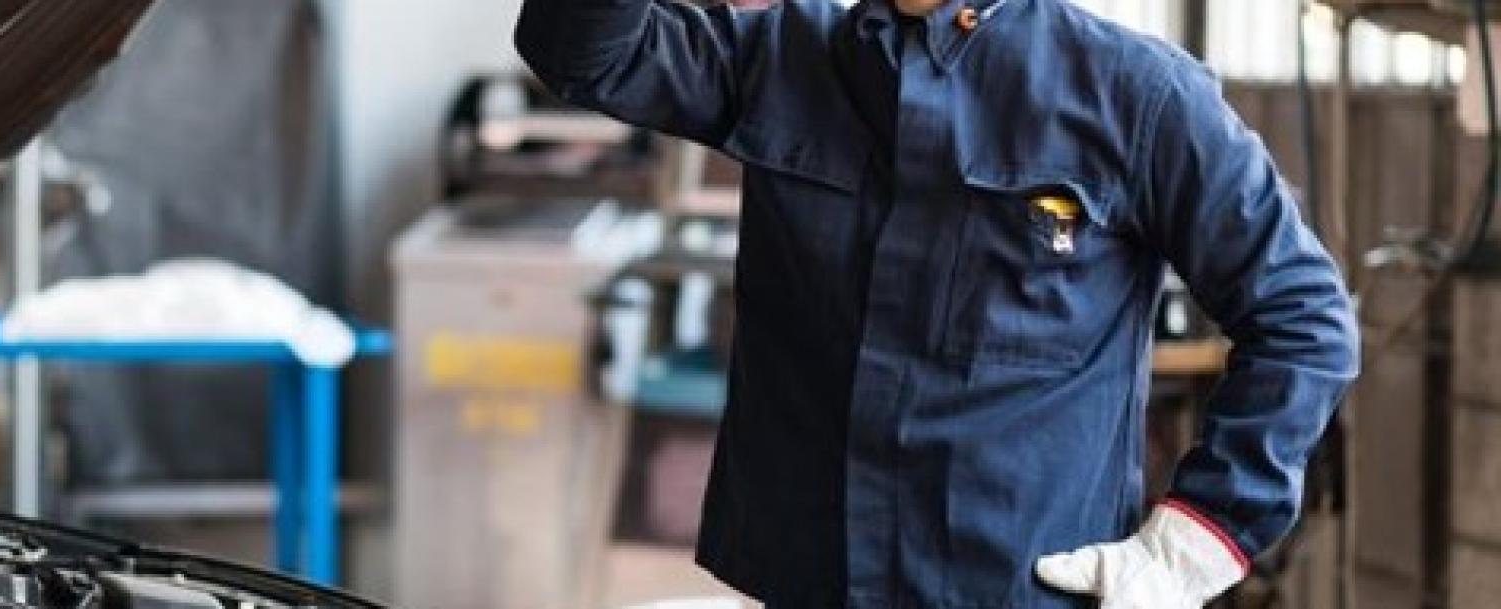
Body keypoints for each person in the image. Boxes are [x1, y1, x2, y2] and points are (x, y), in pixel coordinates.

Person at [515, 0, 1361, 606]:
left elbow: (1303, 317)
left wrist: (1191, 544)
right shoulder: (781, 56)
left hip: (1017, 588)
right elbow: (583, 52)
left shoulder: (1134, 95)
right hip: (807, 584)